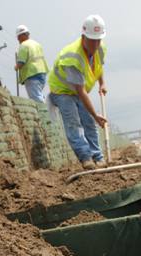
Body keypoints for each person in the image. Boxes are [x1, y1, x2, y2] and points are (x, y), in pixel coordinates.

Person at [48, 15, 108, 169]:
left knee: (88, 122)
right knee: (73, 122)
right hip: (62, 91)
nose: (95, 44)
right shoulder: (73, 57)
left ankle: (98, 157)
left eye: (98, 40)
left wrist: (102, 83)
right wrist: (96, 115)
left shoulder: (101, 48)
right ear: (83, 36)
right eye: (92, 40)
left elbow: (98, 66)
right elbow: (81, 92)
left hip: (79, 90)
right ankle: (85, 158)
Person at [15, 25, 49, 103]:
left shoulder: (23, 45)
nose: (18, 39)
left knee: (36, 98)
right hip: (42, 73)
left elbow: (21, 62)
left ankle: (45, 113)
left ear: (23, 35)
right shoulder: (37, 44)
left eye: (18, 37)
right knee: (38, 94)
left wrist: (16, 67)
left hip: (31, 74)